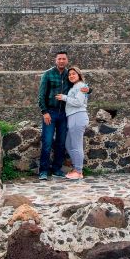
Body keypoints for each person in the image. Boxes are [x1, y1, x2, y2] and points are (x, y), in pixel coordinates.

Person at [37, 51, 89, 180]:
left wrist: (89, 89)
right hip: (51, 113)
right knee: (47, 141)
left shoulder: (69, 74)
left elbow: (79, 87)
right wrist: (44, 112)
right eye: (59, 59)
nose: (61, 61)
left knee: (61, 143)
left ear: (66, 60)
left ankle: (56, 169)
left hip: (65, 114)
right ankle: (43, 171)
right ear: (56, 60)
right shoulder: (48, 74)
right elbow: (41, 95)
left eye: (64, 59)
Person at [57, 67, 88, 180]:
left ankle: (78, 171)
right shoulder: (76, 87)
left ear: (79, 75)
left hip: (78, 116)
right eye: (69, 74)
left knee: (76, 145)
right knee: (69, 144)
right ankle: (76, 168)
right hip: (72, 117)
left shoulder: (81, 86)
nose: (71, 76)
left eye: (73, 74)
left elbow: (79, 102)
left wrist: (64, 97)